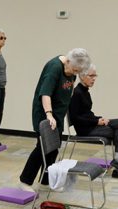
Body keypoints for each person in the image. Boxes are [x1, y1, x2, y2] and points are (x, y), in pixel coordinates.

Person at [19, 48, 91, 192]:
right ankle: (24, 182)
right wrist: (49, 114)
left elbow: (67, 94)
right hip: (45, 114)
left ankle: (46, 181)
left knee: (54, 149)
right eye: (74, 70)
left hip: (57, 114)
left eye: (78, 72)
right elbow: (45, 93)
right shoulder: (54, 68)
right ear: (68, 61)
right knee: (42, 148)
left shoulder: (71, 69)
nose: (74, 74)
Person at [69, 64, 118, 170]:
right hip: (85, 130)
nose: (94, 79)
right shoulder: (77, 93)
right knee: (116, 130)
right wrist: (96, 122)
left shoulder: (85, 91)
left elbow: (87, 113)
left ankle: (117, 163)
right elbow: (75, 118)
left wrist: (99, 119)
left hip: (91, 125)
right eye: (91, 76)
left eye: (95, 76)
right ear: (82, 76)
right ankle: (117, 162)